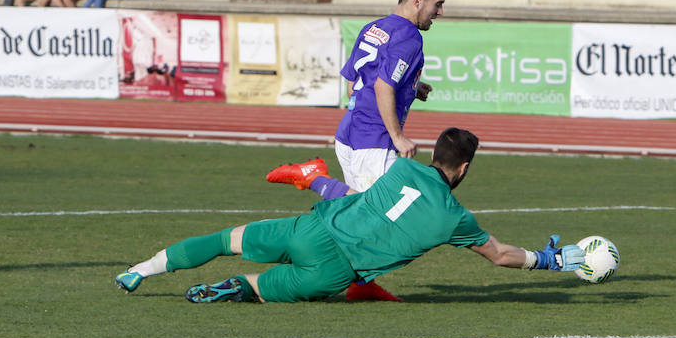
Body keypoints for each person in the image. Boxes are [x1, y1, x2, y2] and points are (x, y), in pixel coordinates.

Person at [116, 127, 586, 303]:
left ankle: (141, 270)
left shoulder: (400, 167)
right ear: (463, 169)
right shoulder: (456, 218)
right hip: (335, 271)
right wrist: (552, 260)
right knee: (259, 288)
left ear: (433, 155)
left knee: (225, 239)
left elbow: (353, 189)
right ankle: (231, 290)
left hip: (314, 228)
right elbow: (501, 255)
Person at [267, 0, 448, 301]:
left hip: (349, 133)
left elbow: (355, 79)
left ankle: (361, 286)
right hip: (373, 140)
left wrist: (411, 86)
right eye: (438, 4)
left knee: (360, 217)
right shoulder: (409, 37)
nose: (440, 12)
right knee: (383, 218)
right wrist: (397, 136)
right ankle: (313, 179)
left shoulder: (374, 27)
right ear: (418, 0)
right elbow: (381, 85)